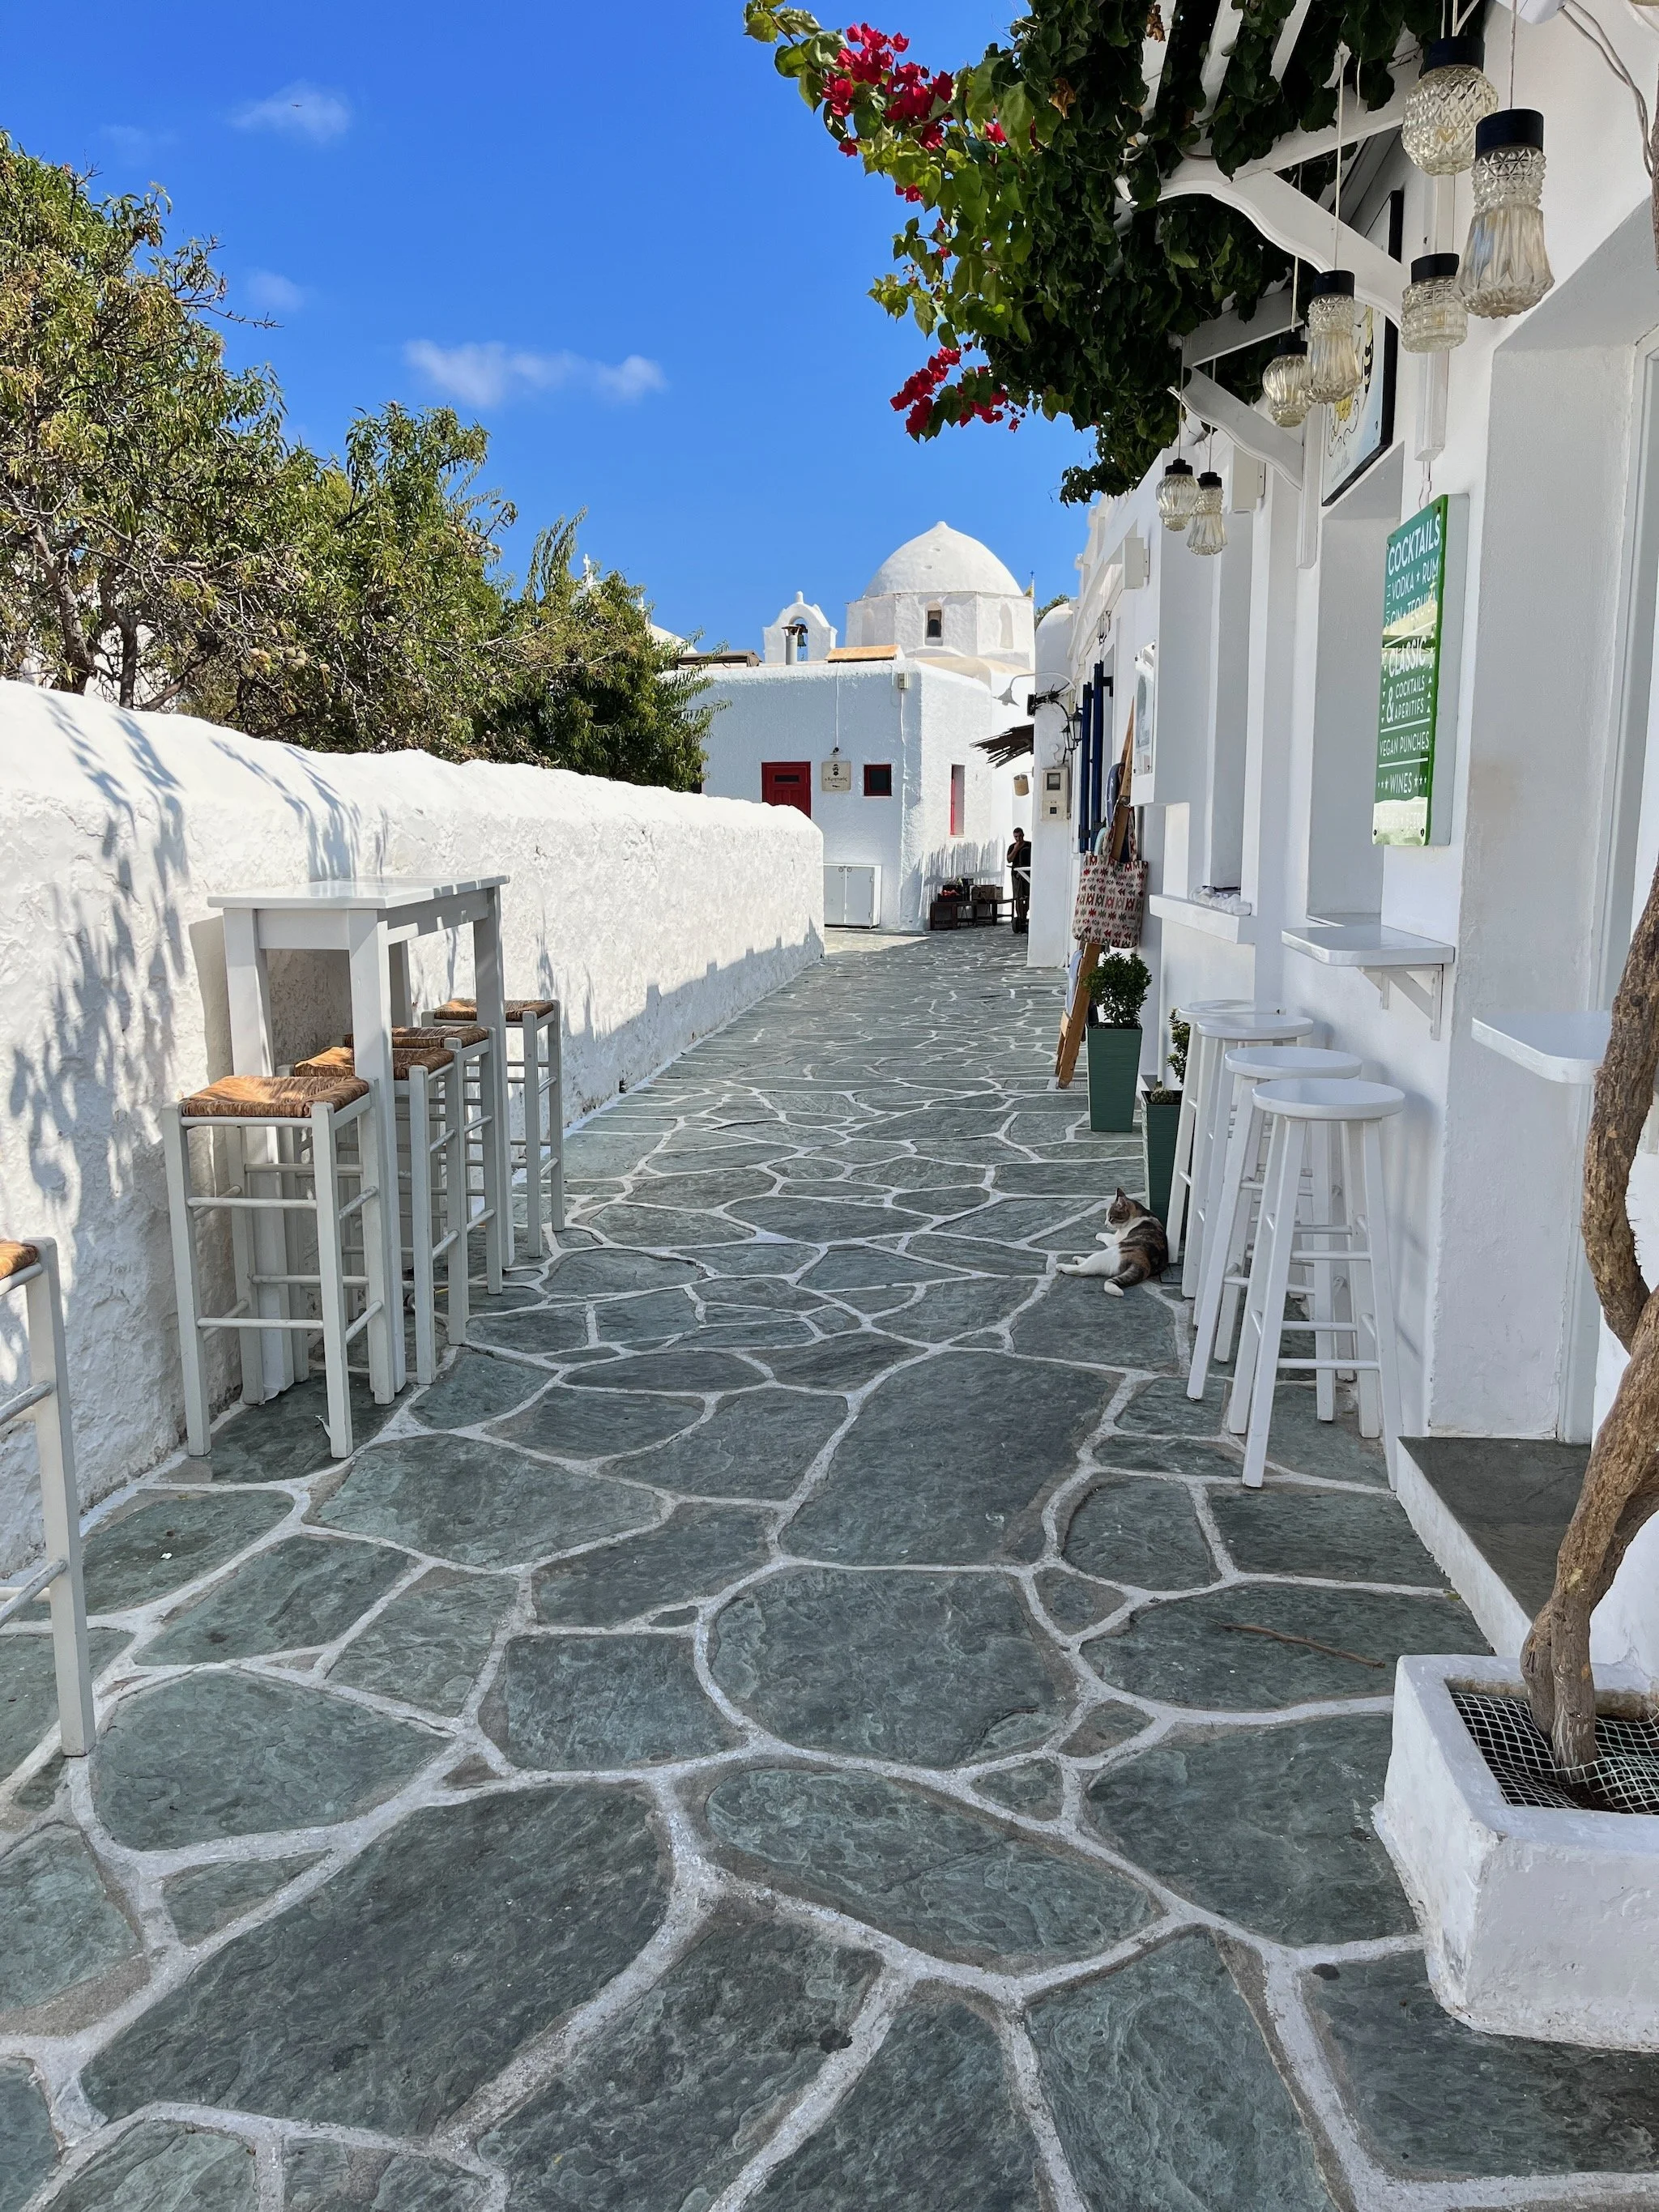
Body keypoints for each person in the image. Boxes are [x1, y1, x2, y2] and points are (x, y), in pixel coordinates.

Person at [1008, 826, 1032, 935]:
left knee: (1029, 895)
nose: (1018, 838)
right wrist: (1016, 849)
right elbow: (1009, 859)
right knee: (1018, 896)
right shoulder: (1012, 847)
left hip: (1028, 872)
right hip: (1017, 874)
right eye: (1016, 837)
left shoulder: (1029, 845)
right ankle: (1020, 918)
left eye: (1020, 836)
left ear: (1023, 835)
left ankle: (1027, 914)